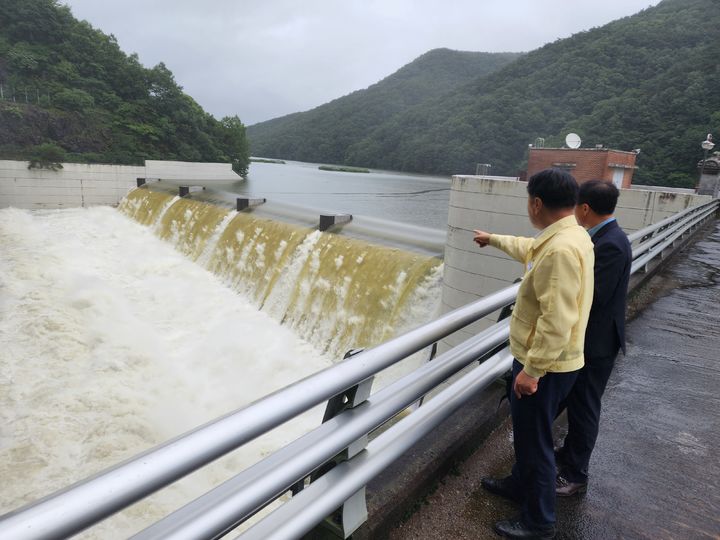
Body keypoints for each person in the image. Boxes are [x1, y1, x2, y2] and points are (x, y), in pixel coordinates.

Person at [473, 168, 594, 539]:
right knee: (528, 434)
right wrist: (492, 239)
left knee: (536, 441)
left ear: (536, 203)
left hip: (546, 365)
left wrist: (532, 371)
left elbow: (557, 319)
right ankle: (518, 486)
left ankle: (538, 522)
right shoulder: (572, 235)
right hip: (554, 361)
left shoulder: (560, 250)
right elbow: (528, 249)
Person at [554, 180, 632, 496]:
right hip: (593, 339)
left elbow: (595, 295)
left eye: (576, 206)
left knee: (585, 407)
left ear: (585, 208)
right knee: (577, 402)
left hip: (596, 343)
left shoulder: (610, 244)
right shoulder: (606, 237)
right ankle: (569, 455)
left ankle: (575, 475)